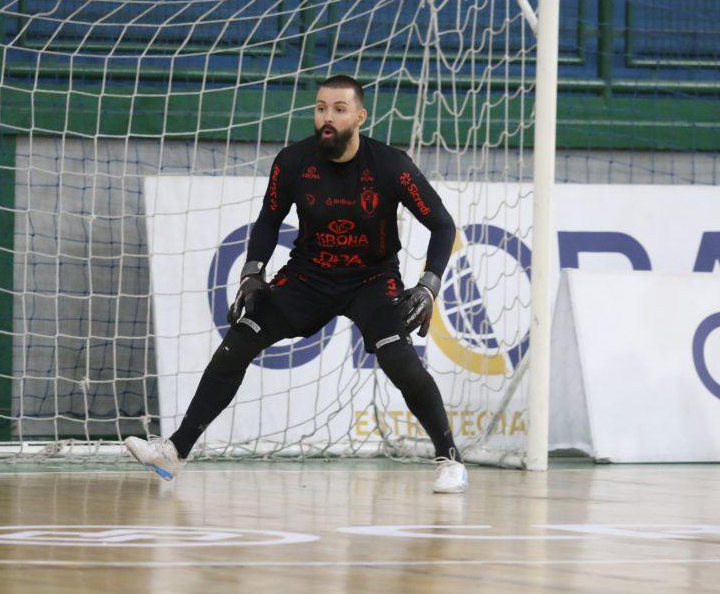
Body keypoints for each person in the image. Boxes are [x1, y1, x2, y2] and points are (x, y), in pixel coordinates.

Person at [125, 75, 467, 493]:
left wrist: (428, 286)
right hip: (308, 276)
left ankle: (449, 459)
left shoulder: (391, 165)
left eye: (339, 109)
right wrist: (253, 272)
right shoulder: (292, 162)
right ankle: (174, 452)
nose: (327, 117)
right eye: (321, 107)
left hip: (372, 280)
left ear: (360, 117)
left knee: (400, 360)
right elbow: (268, 221)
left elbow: (443, 225)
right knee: (238, 341)